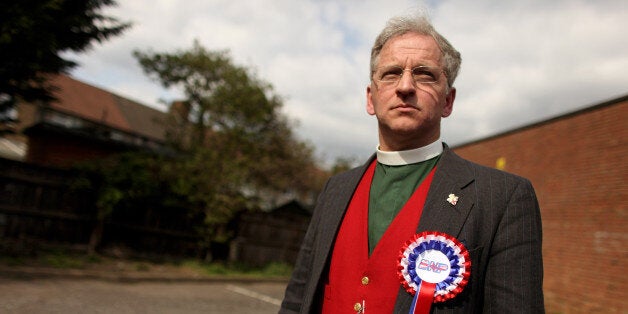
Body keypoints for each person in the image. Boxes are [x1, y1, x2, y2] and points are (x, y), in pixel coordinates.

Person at [280, 13, 544, 314]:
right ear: (371, 98)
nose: (405, 86)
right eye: (391, 73)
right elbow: (296, 301)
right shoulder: (335, 190)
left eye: (424, 75)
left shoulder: (503, 198)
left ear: (448, 101)